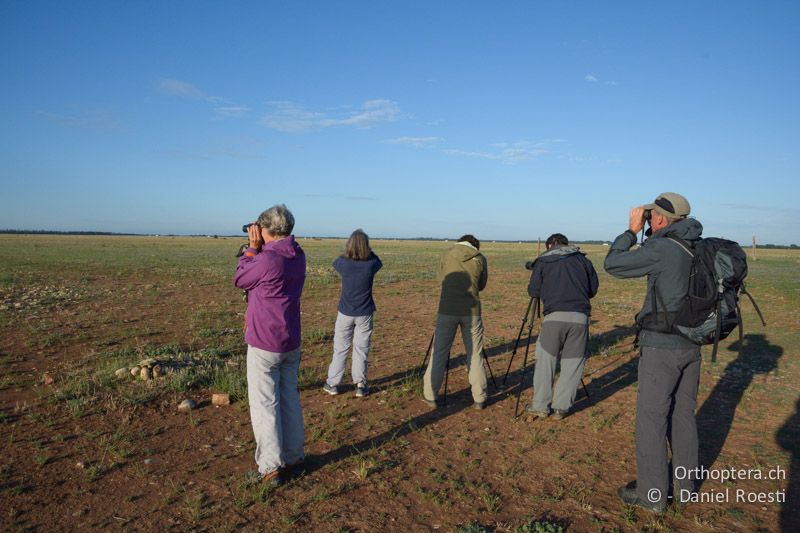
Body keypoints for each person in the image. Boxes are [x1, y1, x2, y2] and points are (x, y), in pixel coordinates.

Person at [604, 192, 703, 513]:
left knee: (651, 418)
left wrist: (631, 231)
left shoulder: (662, 247)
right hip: (692, 344)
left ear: (660, 219)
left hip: (662, 345)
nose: (648, 221)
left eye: (650, 217)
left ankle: (652, 496)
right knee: (683, 416)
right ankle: (684, 489)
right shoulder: (696, 246)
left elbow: (614, 264)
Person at [234, 204, 306, 487]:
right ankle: (295, 456)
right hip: (290, 339)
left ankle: (270, 468)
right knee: (289, 399)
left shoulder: (266, 260)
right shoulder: (298, 255)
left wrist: (251, 250)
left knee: (265, 404)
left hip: (265, 341)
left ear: (266, 230)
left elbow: (240, 279)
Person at [526, 233, 598, 420]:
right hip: (580, 317)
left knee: (546, 361)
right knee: (573, 363)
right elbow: (592, 289)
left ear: (550, 245)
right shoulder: (583, 260)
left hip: (554, 317)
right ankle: (561, 408)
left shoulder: (544, 261)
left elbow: (533, 290)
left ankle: (541, 406)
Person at [423, 235, 488, 410]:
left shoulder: (447, 254)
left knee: (439, 353)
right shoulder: (480, 258)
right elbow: (482, 285)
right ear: (475, 245)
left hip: (447, 309)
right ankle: (479, 397)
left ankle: (430, 395)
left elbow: (440, 280)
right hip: (472, 311)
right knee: (475, 354)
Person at [323, 229, 383, 398]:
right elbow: (377, 260)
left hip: (345, 312)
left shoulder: (343, 262)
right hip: (365, 312)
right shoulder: (371, 263)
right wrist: (367, 251)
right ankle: (361, 384)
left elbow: (336, 261)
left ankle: (332, 383)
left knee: (340, 348)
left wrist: (350, 251)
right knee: (361, 349)